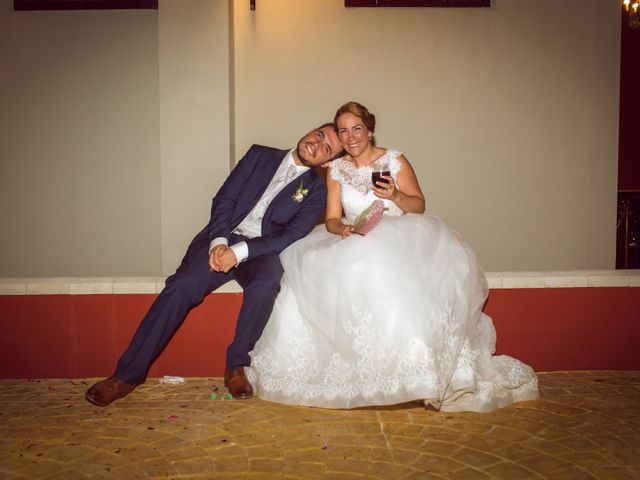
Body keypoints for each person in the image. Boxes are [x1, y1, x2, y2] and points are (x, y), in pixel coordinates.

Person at [247, 102, 539, 412]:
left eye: (356, 128)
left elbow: (418, 205)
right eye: (343, 131)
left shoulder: (394, 160)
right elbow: (332, 218)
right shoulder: (336, 169)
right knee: (305, 267)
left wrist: (394, 196)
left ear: (369, 130)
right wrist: (341, 228)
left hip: (399, 234)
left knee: (378, 264)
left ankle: (416, 376)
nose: (350, 136)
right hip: (355, 235)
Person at [85, 123, 343, 406]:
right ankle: (125, 376)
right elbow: (225, 198)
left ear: (327, 161)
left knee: (267, 283)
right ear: (310, 131)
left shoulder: (316, 191)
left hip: (260, 251)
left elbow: (290, 235)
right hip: (221, 237)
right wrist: (219, 241)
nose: (317, 145)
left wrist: (240, 252)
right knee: (182, 285)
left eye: (327, 148)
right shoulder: (259, 155)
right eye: (319, 136)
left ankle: (236, 366)